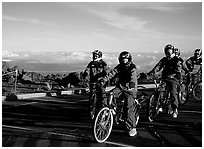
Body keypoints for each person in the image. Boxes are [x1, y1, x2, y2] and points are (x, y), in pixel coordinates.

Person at [99, 51, 138, 137]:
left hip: (130, 90)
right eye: (122, 59)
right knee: (110, 94)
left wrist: (131, 83)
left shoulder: (132, 67)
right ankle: (110, 109)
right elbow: (111, 73)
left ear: (129, 59)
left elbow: (133, 76)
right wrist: (104, 79)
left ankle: (132, 128)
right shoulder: (119, 67)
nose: (124, 61)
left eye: (125, 59)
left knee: (129, 107)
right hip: (120, 87)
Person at [148, 44, 182, 118]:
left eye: (169, 52)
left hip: (174, 78)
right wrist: (152, 72)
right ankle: (160, 104)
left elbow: (179, 69)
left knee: (173, 93)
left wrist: (176, 75)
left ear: (172, 52)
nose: (168, 54)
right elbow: (158, 66)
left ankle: (175, 108)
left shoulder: (176, 60)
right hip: (165, 78)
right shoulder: (164, 59)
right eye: (167, 52)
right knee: (160, 90)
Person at [82, 49, 109, 119]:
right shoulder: (91, 63)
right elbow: (87, 70)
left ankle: (104, 110)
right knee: (92, 97)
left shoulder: (103, 64)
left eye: (96, 55)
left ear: (99, 56)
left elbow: (106, 71)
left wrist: (104, 76)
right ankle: (91, 111)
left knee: (102, 96)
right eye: (93, 55)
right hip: (93, 82)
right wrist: (85, 74)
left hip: (101, 83)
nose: (94, 57)